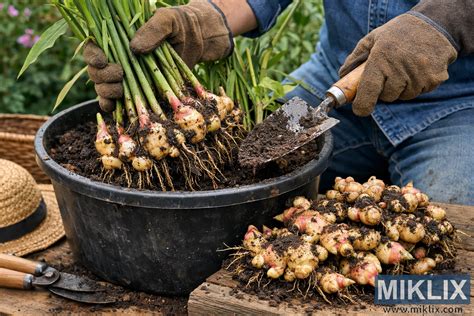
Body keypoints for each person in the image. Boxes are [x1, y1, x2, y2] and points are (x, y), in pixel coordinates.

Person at [84, 0, 474, 205]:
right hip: (335, 80)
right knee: (247, 175)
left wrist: (446, 20)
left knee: (453, 228)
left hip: (455, 102)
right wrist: (206, 19)